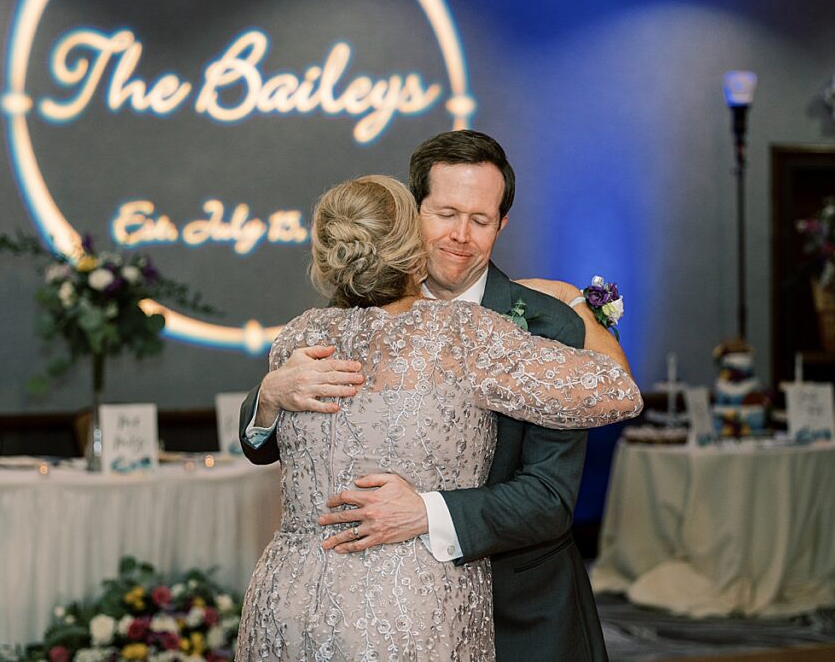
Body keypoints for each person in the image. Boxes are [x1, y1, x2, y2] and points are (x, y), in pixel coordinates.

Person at [240, 131, 623, 660]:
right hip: (348, 618)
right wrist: (269, 393)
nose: (461, 236)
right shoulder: (349, 308)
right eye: (445, 213)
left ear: (502, 224)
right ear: (411, 212)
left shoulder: (544, 323)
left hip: (521, 612)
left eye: (481, 220)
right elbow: (275, 445)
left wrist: (427, 512)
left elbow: (550, 499)